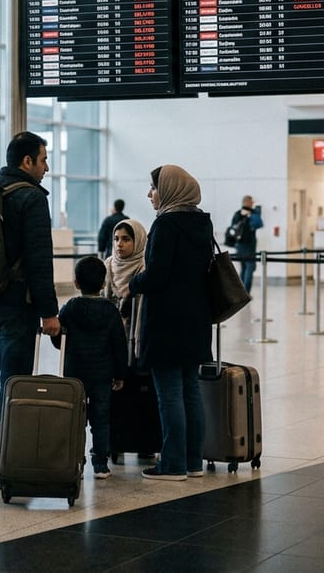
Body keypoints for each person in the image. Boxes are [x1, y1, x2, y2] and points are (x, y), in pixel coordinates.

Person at [0, 131, 60, 485]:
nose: (46, 167)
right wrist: (49, 313)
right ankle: (6, 463)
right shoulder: (31, 199)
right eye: (43, 159)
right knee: (12, 384)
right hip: (14, 307)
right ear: (27, 162)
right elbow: (39, 260)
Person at [129, 164, 212, 481]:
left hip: (166, 320)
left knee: (169, 395)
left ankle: (173, 464)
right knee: (190, 390)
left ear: (169, 190)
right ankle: (193, 461)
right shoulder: (201, 224)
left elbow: (157, 276)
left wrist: (134, 283)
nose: (150, 194)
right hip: (196, 318)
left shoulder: (166, 225)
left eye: (153, 187)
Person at [53, 256, 127, 479]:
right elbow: (119, 345)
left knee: (76, 418)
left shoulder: (69, 309)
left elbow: (59, 341)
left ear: (76, 283)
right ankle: (101, 464)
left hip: (75, 373)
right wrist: (120, 374)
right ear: (104, 283)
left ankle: (77, 460)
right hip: (102, 374)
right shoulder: (111, 310)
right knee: (101, 419)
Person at [104, 218, 148, 315]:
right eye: (116, 239)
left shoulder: (144, 267)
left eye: (126, 239)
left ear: (138, 241)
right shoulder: (108, 264)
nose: (119, 244)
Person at [229, 196, 263, 294]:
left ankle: (241, 292)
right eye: (251, 201)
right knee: (250, 268)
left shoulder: (237, 214)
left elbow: (232, 227)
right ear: (247, 202)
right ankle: (246, 292)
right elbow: (259, 224)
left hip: (239, 245)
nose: (252, 203)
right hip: (249, 245)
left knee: (243, 268)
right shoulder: (252, 214)